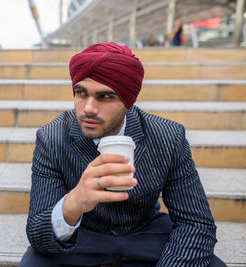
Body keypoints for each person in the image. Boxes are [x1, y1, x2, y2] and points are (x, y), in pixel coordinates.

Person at [19, 42, 226, 267]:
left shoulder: (167, 136)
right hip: (82, 236)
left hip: (143, 232)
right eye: (81, 93)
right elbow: (38, 233)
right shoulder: (52, 137)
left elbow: (196, 223)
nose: (88, 108)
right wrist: (74, 202)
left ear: (128, 100)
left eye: (105, 96)